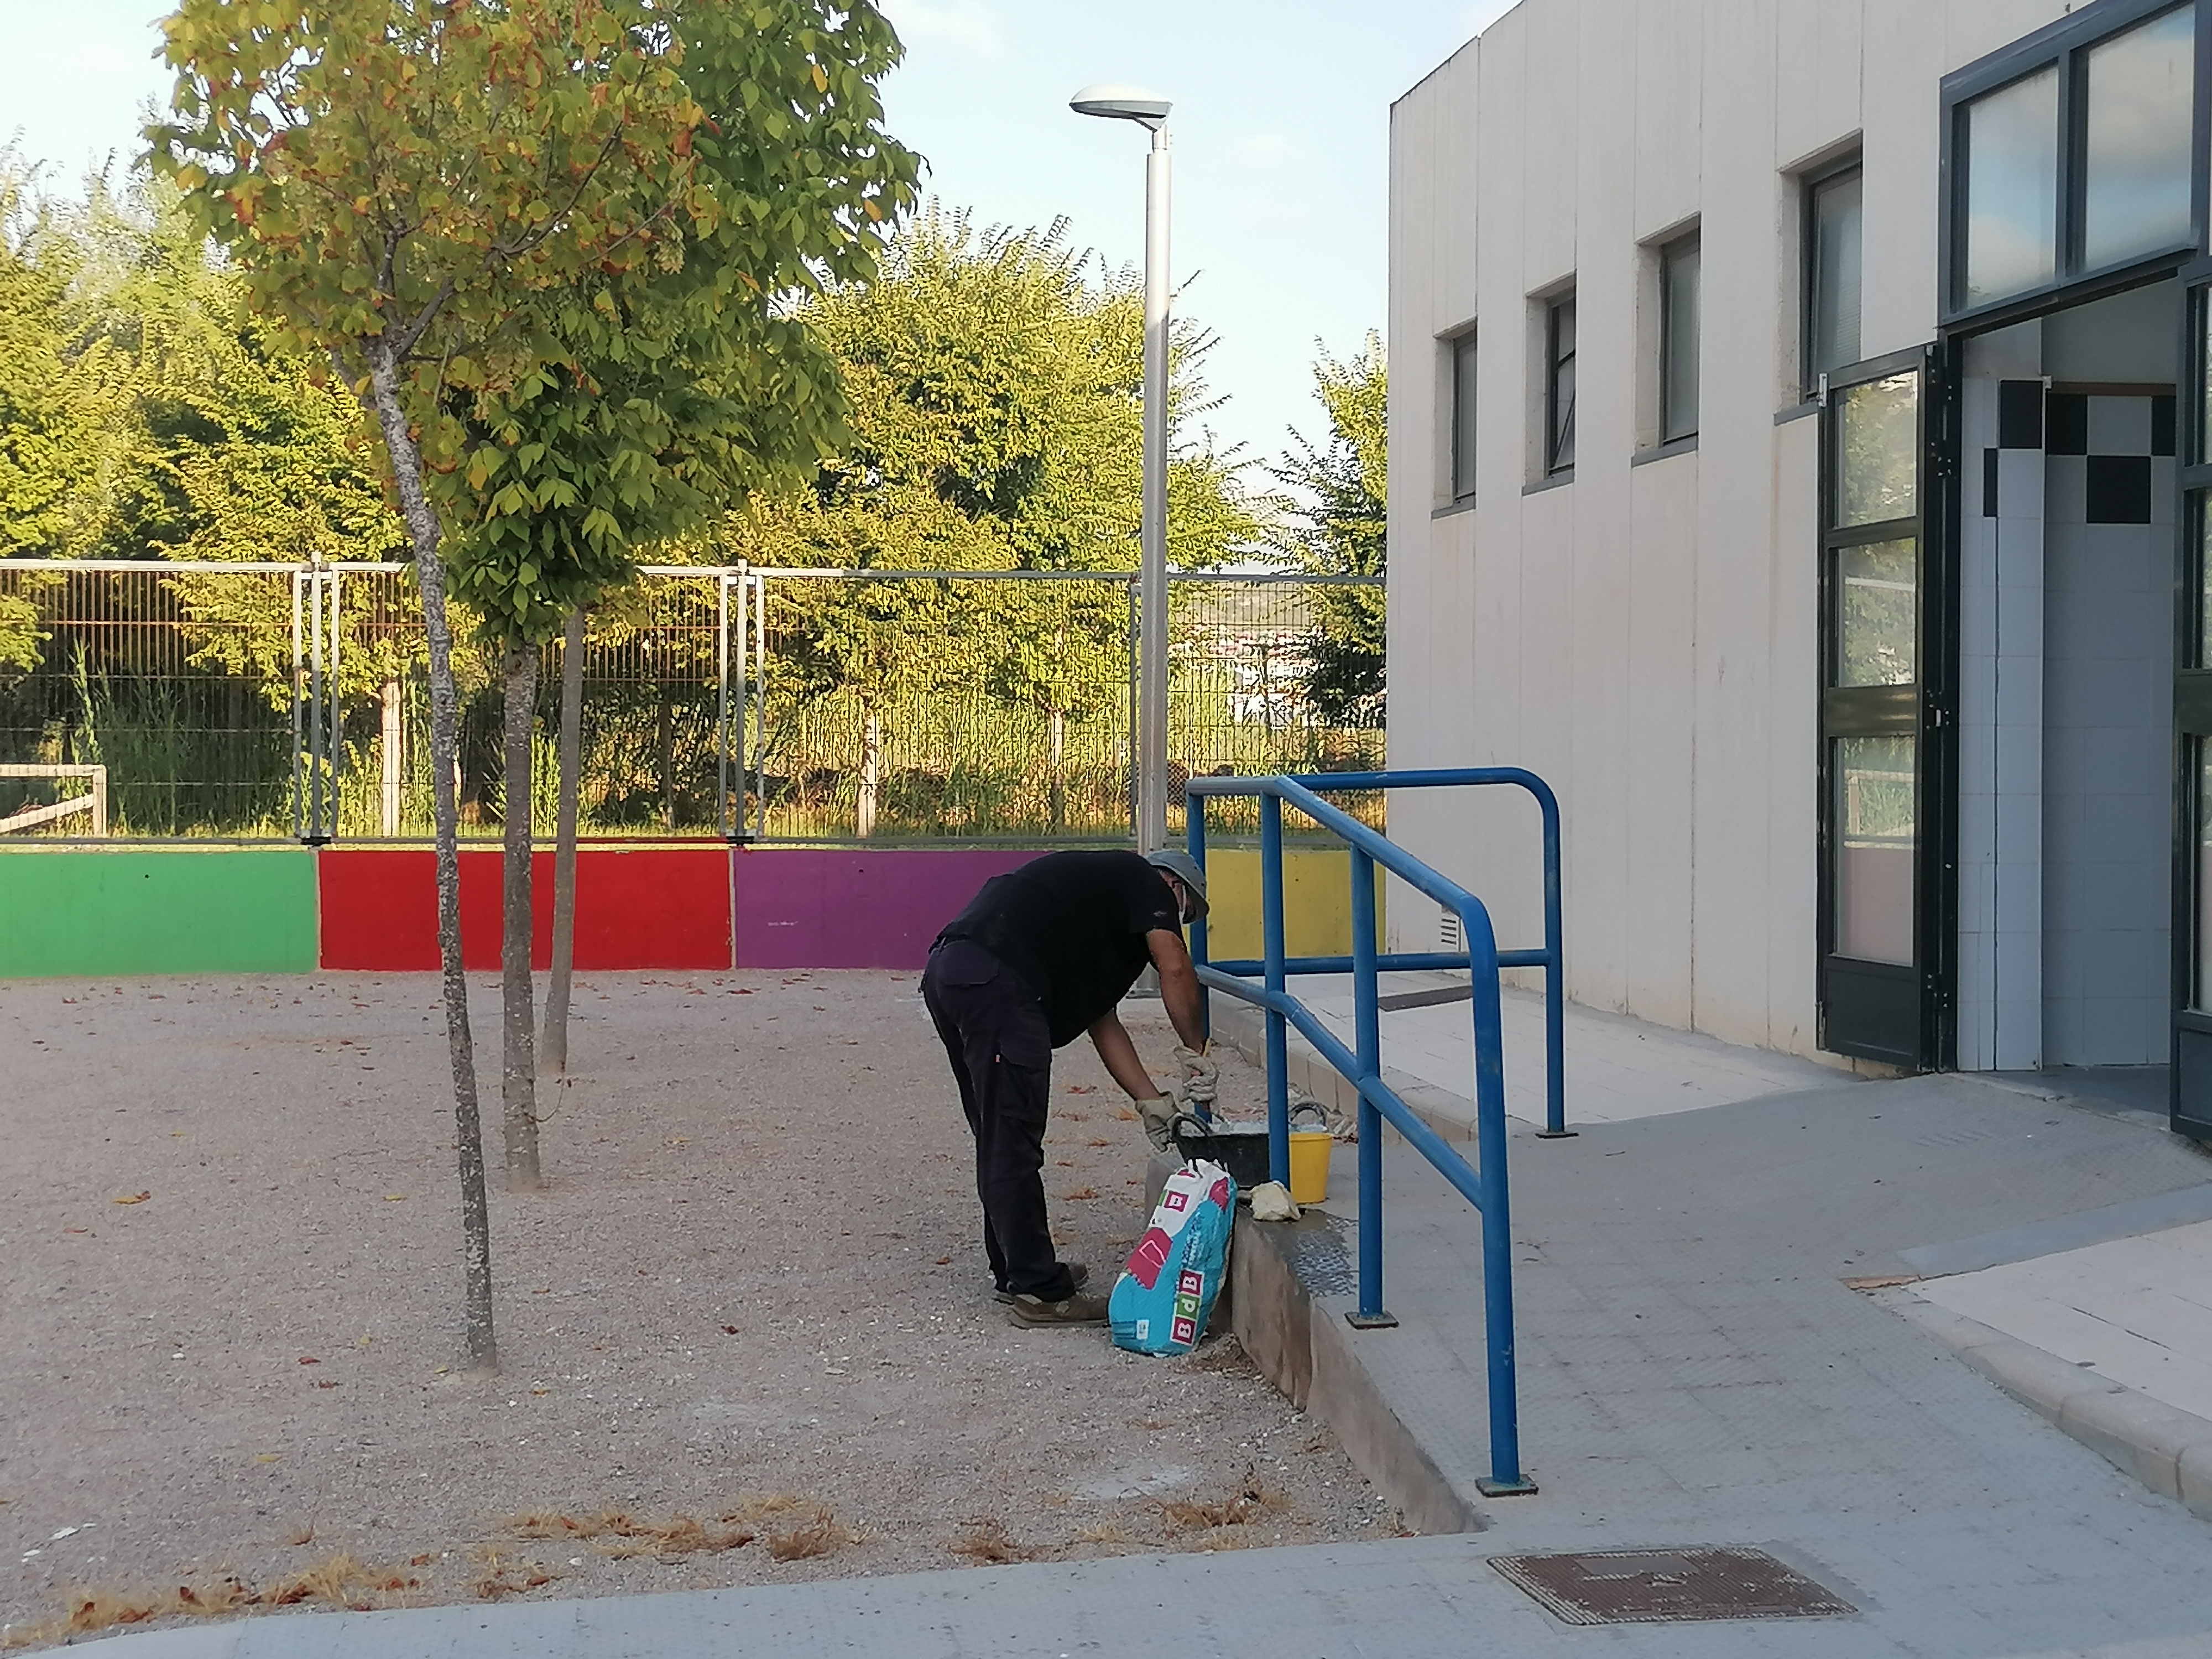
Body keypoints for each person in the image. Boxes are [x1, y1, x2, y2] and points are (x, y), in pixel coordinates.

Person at [922, 848, 1219, 1327]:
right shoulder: (1143, 879)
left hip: (957, 972)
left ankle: (1017, 1272)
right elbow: (1177, 968)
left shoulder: (1092, 913)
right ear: (1174, 887)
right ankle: (1041, 1293)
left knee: (999, 1136)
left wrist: (1149, 1101)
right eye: (1183, 913)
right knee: (1013, 1141)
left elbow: (1102, 1023)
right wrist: (1197, 1051)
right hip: (999, 983)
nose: (1175, 924)